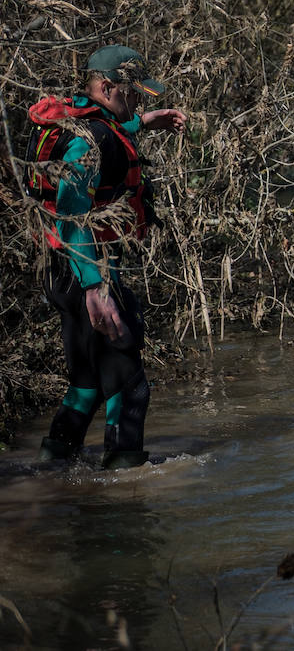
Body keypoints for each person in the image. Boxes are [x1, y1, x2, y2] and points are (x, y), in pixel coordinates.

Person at [24, 44, 188, 468]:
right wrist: (97, 287)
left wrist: (143, 122)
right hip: (86, 275)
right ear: (107, 86)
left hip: (60, 273)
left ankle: (49, 473)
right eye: (133, 93)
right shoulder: (92, 140)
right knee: (130, 389)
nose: (137, 100)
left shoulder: (79, 121)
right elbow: (72, 213)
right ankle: (124, 497)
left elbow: (109, 136)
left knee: (87, 385)